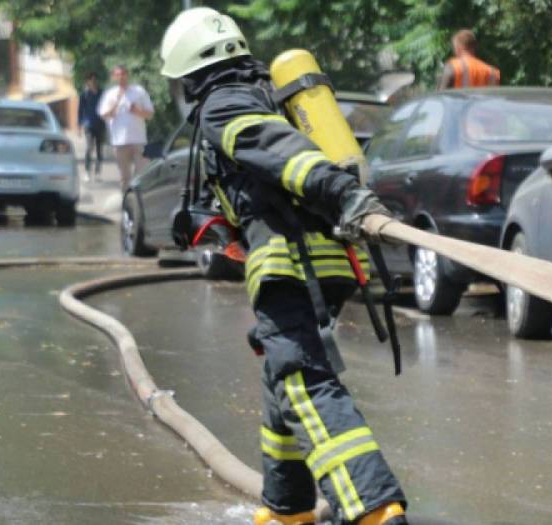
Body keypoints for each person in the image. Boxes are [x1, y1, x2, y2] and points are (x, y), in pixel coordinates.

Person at [159, 8, 407, 525]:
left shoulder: (224, 105)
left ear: (188, 74)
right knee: (281, 375)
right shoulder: (262, 94)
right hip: (326, 262)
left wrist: (343, 193)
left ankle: (373, 506)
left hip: (289, 264)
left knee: (301, 379)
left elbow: (283, 152)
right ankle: (288, 508)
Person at [97, 65, 154, 191]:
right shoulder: (110, 94)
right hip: (120, 142)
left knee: (142, 175)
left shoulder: (139, 91)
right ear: (113, 77)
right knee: (125, 177)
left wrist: (137, 111)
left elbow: (150, 114)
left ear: (127, 75)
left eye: (123, 74)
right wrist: (116, 102)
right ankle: (127, 204)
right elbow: (104, 115)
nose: (121, 77)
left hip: (139, 140)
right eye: (117, 75)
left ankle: (142, 202)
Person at [78, 72, 106, 180]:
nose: (94, 82)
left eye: (95, 80)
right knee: (89, 147)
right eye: (91, 80)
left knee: (99, 149)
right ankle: (87, 171)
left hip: (100, 124)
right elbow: (80, 110)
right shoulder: (84, 94)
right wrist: (80, 124)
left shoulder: (102, 93)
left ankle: (98, 173)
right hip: (89, 125)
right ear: (88, 82)